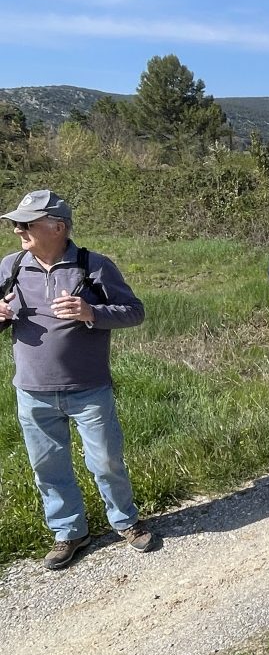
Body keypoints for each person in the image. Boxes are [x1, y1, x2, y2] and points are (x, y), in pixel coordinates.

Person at [0, 189, 156, 571]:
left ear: (58, 227)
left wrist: (91, 312)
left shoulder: (94, 265)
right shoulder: (10, 266)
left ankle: (125, 521)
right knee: (48, 468)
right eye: (16, 223)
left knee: (106, 462)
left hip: (89, 389)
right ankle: (69, 532)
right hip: (32, 392)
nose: (18, 230)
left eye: (26, 223)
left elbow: (134, 312)